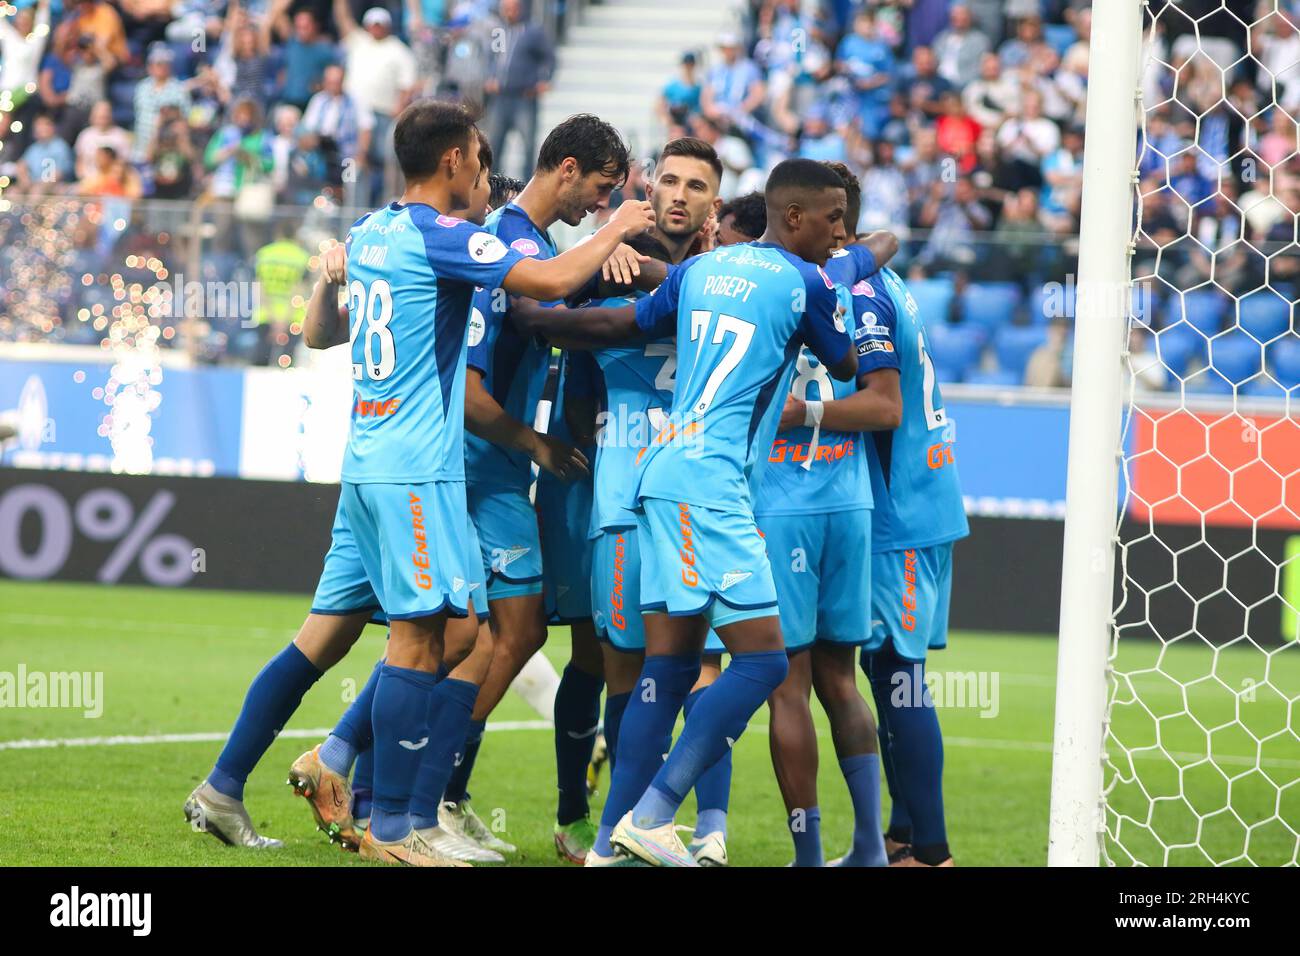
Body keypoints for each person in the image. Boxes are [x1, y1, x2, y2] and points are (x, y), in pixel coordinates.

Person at [186, 100, 653, 864]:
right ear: (453, 162)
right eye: (476, 154)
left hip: (366, 462)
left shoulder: (372, 232)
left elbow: (317, 333)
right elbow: (551, 273)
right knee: (427, 638)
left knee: (344, 638)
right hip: (413, 470)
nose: (481, 169)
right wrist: (620, 227)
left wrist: (325, 278)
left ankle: (226, 786)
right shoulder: (441, 236)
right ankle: (397, 826)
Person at [511, 158, 860, 866]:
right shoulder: (811, 281)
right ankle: (658, 812)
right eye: (832, 219)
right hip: (714, 484)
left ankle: (608, 846)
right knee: (761, 662)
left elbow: (623, 320)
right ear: (795, 219)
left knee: (665, 671)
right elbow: (847, 363)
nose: (841, 232)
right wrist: (845, 276)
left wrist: (537, 318)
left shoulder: (704, 274)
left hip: (660, 474)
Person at [434, 114, 633, 857]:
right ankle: (421, 797)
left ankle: (418, 792)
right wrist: (538, 445)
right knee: (483, 637)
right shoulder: (514, 245)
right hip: (478, 465)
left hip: (490, 465)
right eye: (601, 190)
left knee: (473, 639)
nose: (599, 205)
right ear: (570, 168)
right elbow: (483, 381)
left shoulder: (534, 244)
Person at [759, 161, 900, 868]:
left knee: (788, 682)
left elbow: (887, 404)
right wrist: (860, 250)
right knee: (840, 677)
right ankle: (869, 849)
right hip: (849, 499)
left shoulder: (759, 280)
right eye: (832, 216)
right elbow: (887, 238)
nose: (841, 229)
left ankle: (810, 857)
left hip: (785, 499)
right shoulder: (851, 284)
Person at [860, 266, 971, 868]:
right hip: (922, 499)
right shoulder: (887, 277)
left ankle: (933, 852)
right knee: (885, 670)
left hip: (900, 512)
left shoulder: (862, 292)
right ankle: (902, 839)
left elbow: (884, 407)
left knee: (900, 675)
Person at [485, 0, 556, 178]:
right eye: (506, 9)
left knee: (528, 146)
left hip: (523, 97)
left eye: (513, 8)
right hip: (500, 96)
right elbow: (493, 58)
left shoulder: (533, 32)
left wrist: (544, 80)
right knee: (494, 144)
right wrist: (489, 77)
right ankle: (493, 185)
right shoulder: (499, 31)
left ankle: (526, 187)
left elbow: (549, 58)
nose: (510, 12)